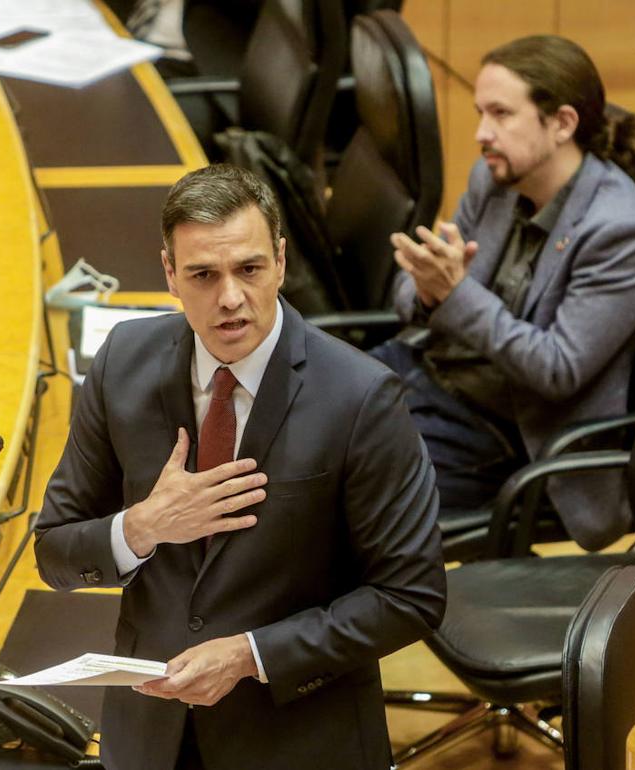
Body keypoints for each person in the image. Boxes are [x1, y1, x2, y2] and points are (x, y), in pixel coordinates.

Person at [34, 163, 446, 770]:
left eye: (249, 269)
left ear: (280, 261)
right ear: (170, 274)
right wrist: (141, 528)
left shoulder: (361, 397)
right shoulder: (123, 362)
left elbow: (410, 595)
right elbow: (54, 551)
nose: (230, 298)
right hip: (151, 735)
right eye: (203, 274)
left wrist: (251, 654)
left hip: (296, 737)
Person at [376, 34, 635, 551]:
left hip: (505, 433)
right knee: (286, 407)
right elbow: (409, 298)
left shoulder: (621, 232)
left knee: (332, 486)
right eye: (480, 112)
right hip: (429, 371)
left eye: (501, 114)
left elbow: (557, 369)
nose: (482, 133)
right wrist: (429, 291)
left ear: (562, 124)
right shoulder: (494, 181)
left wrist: (454, 295)